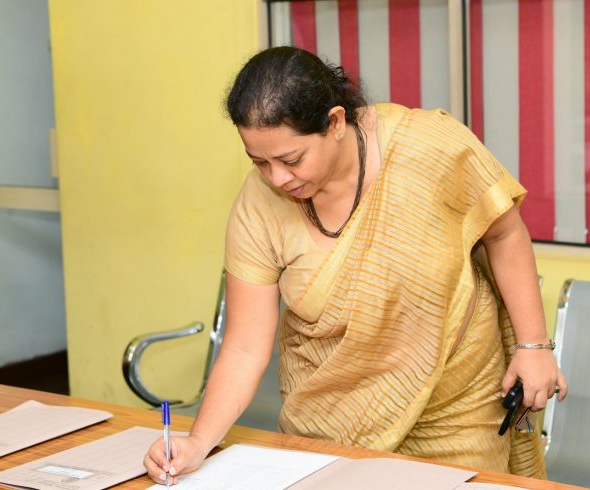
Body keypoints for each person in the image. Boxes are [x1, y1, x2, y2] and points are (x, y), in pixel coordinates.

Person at [145, 47, 568, 482]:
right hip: (332, 422)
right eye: (260, 162)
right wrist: (198, 442)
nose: (277, 178)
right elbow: (244, 347)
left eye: (291, 160)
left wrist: (534, 346)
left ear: (335, 122)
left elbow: (504, 234)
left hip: (454, 408)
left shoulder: (427, 147)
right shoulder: (258, 205)